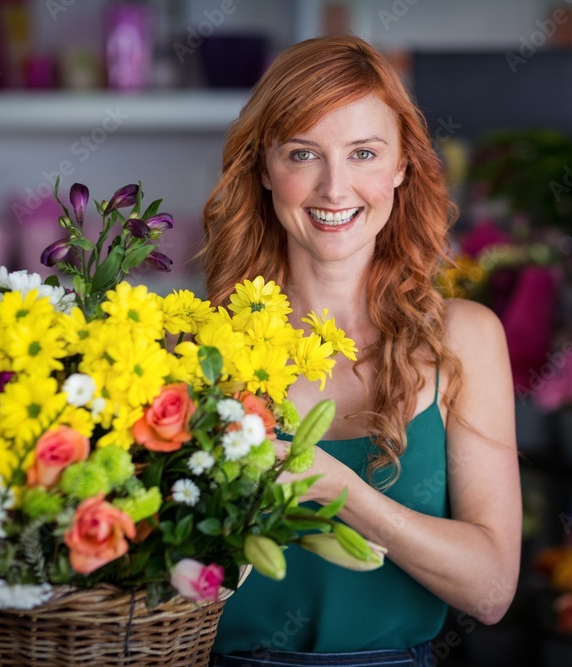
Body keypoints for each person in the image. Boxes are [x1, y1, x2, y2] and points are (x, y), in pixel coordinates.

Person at [201, 35, 522, 666]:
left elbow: (490, 591)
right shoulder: (202, 345)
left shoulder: (465, 337)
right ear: (265, 168)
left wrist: (341, 492)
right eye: (303, 154)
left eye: (364, 153)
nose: (334, 188)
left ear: (402, 164)